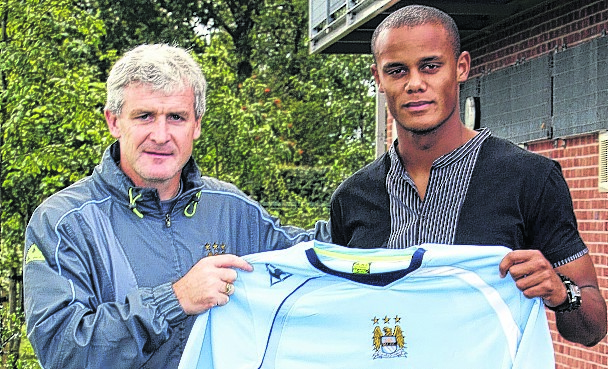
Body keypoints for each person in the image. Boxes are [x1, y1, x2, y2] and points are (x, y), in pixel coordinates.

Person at [23, 44, 328, 368]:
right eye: (145, 116)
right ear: (114, 121)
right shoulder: (63, 223)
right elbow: (62, 350)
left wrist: (371, 201)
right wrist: (175, 299)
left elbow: (312, 258)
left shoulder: (231, 210)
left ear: (196, 124)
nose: (161, 135)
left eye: (176, 117)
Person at [329, 5, 606, 347]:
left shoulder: (530, 178)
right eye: (397, 70)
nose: (415, 83)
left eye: (430, 66)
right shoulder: (352, 198)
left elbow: (593, 328)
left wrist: (561, 292)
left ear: (461, 68)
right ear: (378, 79)